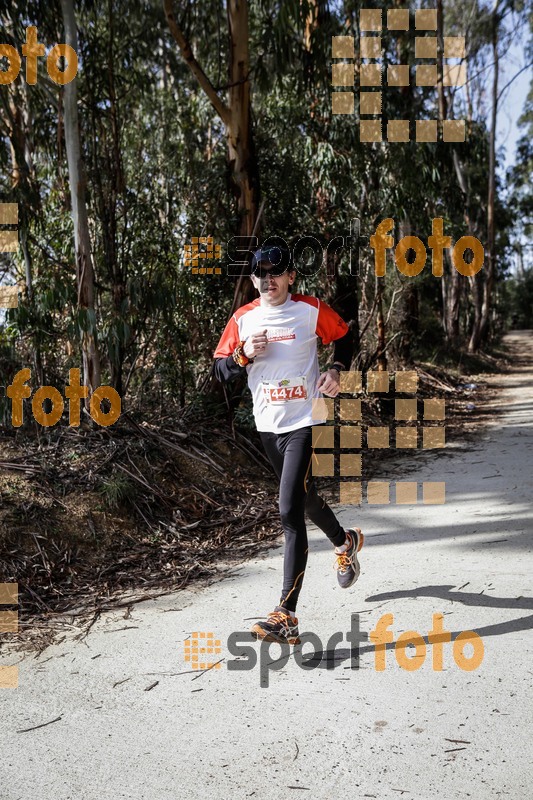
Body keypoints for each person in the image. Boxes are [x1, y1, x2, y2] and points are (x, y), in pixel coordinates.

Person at [213, 246, 363, 645]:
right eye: (261, 274)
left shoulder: (310, 311)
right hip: (267, 426)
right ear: (253, 279)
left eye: (276, 272)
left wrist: (336, 369)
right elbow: (220, 370)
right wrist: (244, 355)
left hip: (306, 420)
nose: (268, 280)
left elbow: (346, 337)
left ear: (291, 276)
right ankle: (345, 541)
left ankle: (286, 614)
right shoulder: (243, 319)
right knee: (306, 497)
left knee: (288, 509)